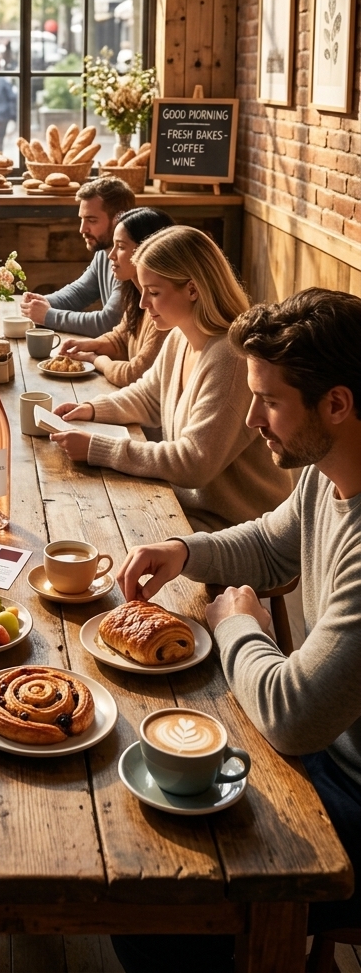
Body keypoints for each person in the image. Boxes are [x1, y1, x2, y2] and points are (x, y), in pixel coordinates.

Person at [111, 288, 361, 973]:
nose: (252, 421)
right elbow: (272, 544)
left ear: (335, 404)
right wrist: (184, 552)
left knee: (152, 889)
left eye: (270, 402)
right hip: (323, 756)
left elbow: (294, 715)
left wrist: (236, 626)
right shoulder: (327, 469)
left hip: (346, 792)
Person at [51, 225, 291, 529]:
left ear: (192, 289)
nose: (142, 304)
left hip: (238, 528)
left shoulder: (232, 359)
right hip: (187, 508)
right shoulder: (180, 335)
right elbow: (148, 395)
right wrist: (93, 409)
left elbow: (193, 463)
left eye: (153, 293)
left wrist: (97, 449)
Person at [56, 205, 175, 386]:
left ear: (148, 250)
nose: (111, 255)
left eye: (120, 247)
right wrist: (89, 344)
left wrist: (95, 360)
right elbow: (121, 339)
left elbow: (135, 375)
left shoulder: (164, 309)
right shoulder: (137, 295)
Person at [21, 176, 136, 336]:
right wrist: (43, 302)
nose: (82, 229)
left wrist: (47, 315)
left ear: (119, 218)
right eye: (82, 219)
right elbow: (80, 292)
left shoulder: (134, 257)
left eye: (91, 220)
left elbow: (108, 323)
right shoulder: (104, 251)